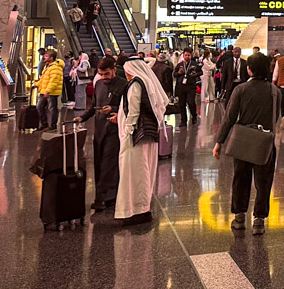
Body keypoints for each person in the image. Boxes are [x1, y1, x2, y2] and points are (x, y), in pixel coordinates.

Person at [213, 52, 279, 235]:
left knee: (241, 178)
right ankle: (259, 221)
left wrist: (220, 141)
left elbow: (229, 118)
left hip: (243, 141)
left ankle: (240, 217)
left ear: (249, 70)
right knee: (263, 181)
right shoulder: (275, 91)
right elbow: (277, 116)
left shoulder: (240, 90)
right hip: (265, 142)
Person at [115, 54, 168, 225]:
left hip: (135, 137)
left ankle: (137, 210)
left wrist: (127, 131)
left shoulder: (135, 85)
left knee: (135, 173)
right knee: (142, 170)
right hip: (145, 136)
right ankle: (140, 208)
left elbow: (134, 112)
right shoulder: (143, 83)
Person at [76, 55, 124, 212]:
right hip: (99, 129)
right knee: (98, 162)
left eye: (107, 74)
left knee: (109, 164)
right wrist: (82, 117)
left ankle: (107, 197)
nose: (104, 77)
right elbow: (94, 107)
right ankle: (101, 194)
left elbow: (129, 108)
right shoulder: (98, 85)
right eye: (101, 74)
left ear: (114, 70)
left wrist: (114, 109)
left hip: (114, 130)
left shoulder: (124, 85)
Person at [35, 48, 64, 130]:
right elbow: (44, 79)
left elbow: (54, 81)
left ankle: (53, 125)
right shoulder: (48, 66)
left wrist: (48, 91)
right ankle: (44, 123)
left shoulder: (56, 67)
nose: (44, 57)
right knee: (39, 106)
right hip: (44, 90)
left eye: (46, 56)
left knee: (52, 108)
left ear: (51, 58)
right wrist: (37, 84)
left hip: (51, 92)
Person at [173, 48, 202, 126]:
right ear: (183, 56)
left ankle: (194, 116)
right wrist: (179, 73)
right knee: (181, 104)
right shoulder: (180, 65)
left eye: (189, 55)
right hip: (181, 86)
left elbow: (200, 72)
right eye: (185, 55)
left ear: (191, 55)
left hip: (191, 86)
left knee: (191, 102)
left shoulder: (194, 64)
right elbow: (174, 74)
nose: (187, 57)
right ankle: (183, 120)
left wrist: (195, 74)